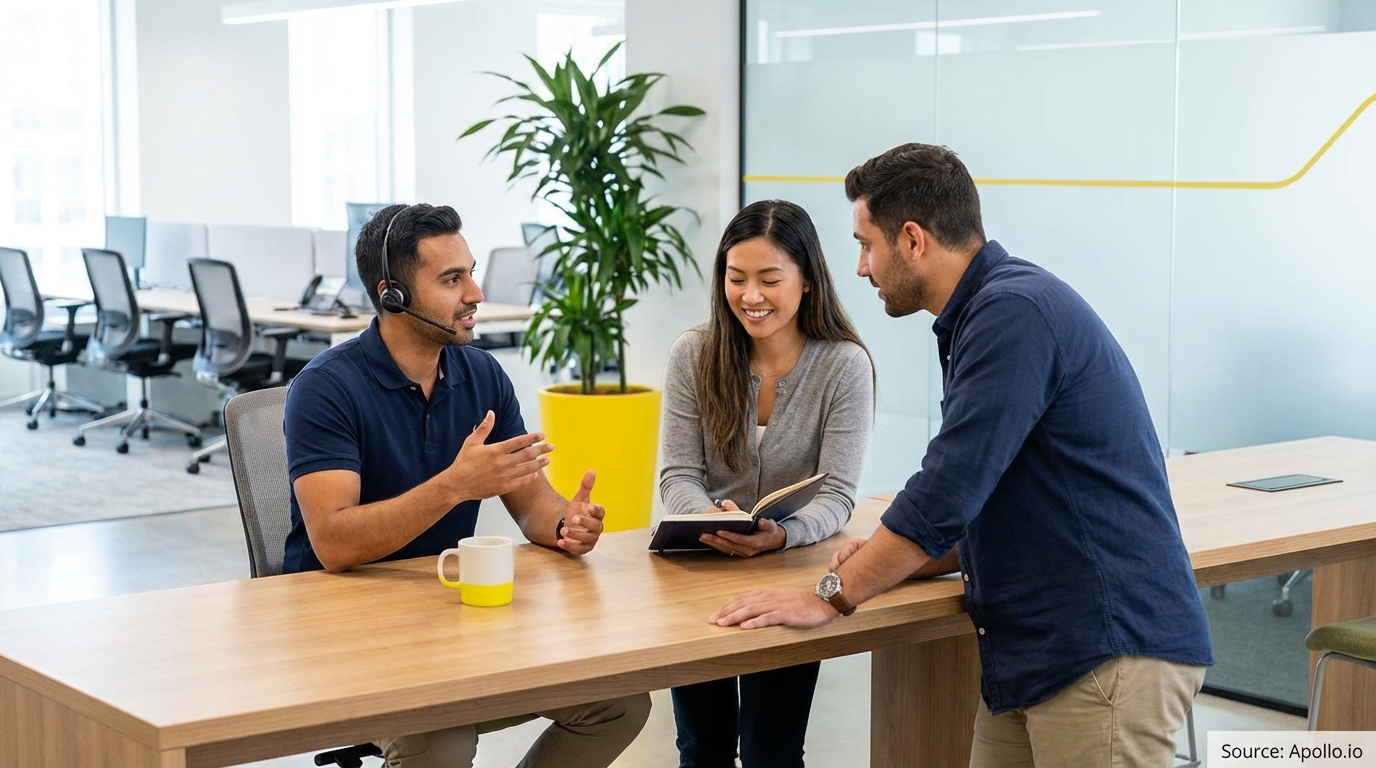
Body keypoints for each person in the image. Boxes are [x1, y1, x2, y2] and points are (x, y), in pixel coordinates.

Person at [709, 145, 1213, 767]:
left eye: (867, 244)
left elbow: (947, 488)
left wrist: (831, 593)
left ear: (913, 240)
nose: (862, 268)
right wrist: (903, 561)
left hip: (1101, 648)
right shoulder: (986, 314)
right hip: (1036, 653)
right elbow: (986, 496)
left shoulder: (1012, 314)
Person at [283, 203, 650, 768]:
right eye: (452, 279)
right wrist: (453, 487)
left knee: (618, 702)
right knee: (443, 741)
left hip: (446, 623)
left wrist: (564, 524)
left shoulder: (481, 375)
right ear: (393, 295)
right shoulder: (325, 389)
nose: (475, 292)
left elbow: (533, 505)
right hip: (347, 641)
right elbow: (333, 543)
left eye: (470, 272)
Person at [660, 199, 874, 767]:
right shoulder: (694, 355)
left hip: (791, 573)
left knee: (772, 750)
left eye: (769, 280)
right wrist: (708, 516)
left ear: (806, 282)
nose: (750, 296)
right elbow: (678, 474)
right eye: (737, 279)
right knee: (700, 747)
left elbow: (838, 495)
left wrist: (784, 534)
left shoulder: (844, 365)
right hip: (700, 565)